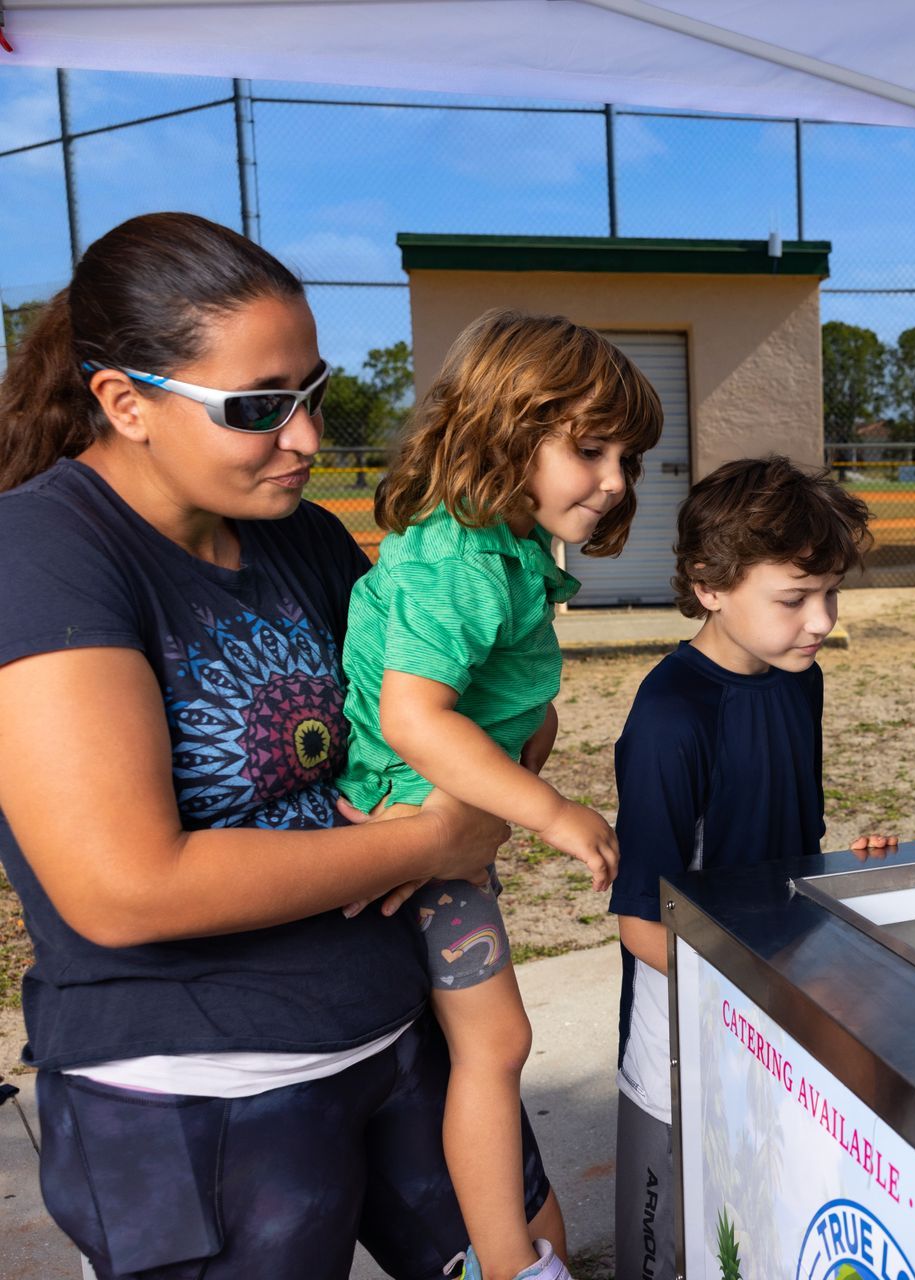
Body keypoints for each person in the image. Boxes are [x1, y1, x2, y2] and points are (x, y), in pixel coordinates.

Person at [0, 212, 565, 1279]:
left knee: (531, 1253)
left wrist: (514, 714)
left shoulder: (296, 531)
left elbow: (442, 718)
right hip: (199, 1101)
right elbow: (126, 885)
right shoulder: (43, 553)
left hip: (394, 1033)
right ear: (125, 403)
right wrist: (433, 839)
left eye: (312, 394)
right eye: (260, 408)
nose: (305, 437)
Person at [335, 308, 663, 1280]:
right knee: (498, 1042)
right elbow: (415, 718)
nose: (614, 481)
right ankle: (513, 1263)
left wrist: (533, 739)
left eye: (628, 458)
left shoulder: (503, 550)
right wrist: (549, 807)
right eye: (592, 449)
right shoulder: (463, 558)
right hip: (418, 817)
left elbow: (498, 695)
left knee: (484, 1045)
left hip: (444, 811)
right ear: (505, 433)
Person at [606, 454, 896, 1280]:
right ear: (709, 585)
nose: (822, 620)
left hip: (779, 1009)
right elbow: (639, 924)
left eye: (831, 594)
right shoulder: (670, 716)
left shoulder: (799, 683)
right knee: (669, 1245)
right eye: (795, 599)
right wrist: (770, 989)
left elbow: (791, 847)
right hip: (685, 1034)